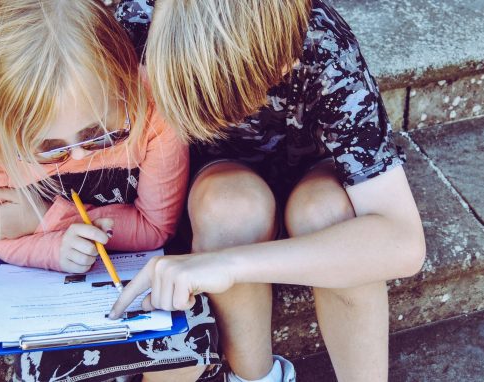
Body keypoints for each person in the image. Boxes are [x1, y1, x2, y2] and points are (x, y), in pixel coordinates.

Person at [109, 1, 426, 381]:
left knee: (325, 211)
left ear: (281, 64)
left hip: (316, 175)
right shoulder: (140, 22)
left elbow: (403, 242)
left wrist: (230, 264)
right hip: (220, 186)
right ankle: (256, 377)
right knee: (229, 206)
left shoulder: (322, 44)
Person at [0, 0, 220, 380]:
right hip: (56, 289)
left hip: (146, 272)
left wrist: (45, 216)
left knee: (185, 355)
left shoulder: (155, 108)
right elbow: (2, 236)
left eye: (99, 135)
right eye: (48, 149)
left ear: (123, 79)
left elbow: (156, 229)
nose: (76, 155)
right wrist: (56, 249)